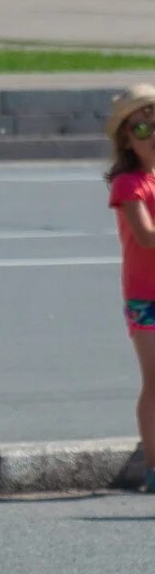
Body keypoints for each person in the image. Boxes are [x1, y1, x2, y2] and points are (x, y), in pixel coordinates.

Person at [108, 84, 155, 491]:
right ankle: (153, 467)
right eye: (141, 129)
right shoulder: (129, 183)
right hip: (146, 296)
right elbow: (146, 236)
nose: (151, 135)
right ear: (126, 138)